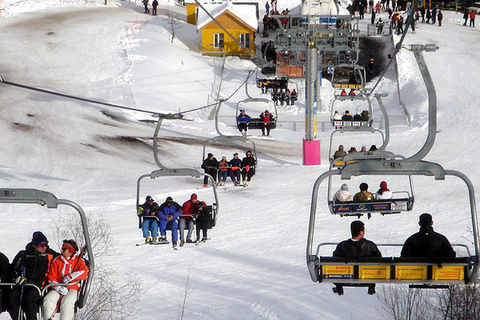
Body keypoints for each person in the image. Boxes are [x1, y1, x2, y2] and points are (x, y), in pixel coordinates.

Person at [8, 232, 59, 320]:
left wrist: (83, 261)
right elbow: (12, 269)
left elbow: (66, 259)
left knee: (29, 298)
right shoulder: (23, 255)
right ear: (34, 245)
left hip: (38, 287)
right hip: (22, 284)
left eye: (46, 245)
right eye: (41, 245)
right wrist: (17, 277)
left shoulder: (49, 255)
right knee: (11, 298)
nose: (44, 248)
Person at [42, 240, 89, 320]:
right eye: (62, 248)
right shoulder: (57, 261)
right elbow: (51, 276)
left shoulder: (78, 261)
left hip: (72, 288)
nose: (61, 251)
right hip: (58, 287)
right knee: (48, 299)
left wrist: (71, 277)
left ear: (71, 251)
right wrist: (57, 287)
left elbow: (84, 272)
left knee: (67, 302)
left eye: (64, 249)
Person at [333, 221, 381, 294]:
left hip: (345, 278)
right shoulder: (370, 246)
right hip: (367, 278)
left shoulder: (341, 246)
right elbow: (379, 259)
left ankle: (339, 286)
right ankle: (371, 286)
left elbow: (334, 260)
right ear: (361, 232)